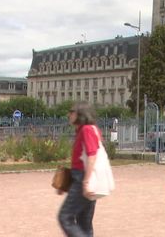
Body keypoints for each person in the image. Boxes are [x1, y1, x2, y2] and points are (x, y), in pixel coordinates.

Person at [58, 101, 101, 236]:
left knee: (65, 217)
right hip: (82, 177)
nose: (68, 114)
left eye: (72, 112)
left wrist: (86, 182)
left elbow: (92, 156)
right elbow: (80, 161)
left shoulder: (87, 130)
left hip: (84, 179)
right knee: (84, 223)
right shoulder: (82, 130)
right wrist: (65, 184)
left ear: (80, 114)